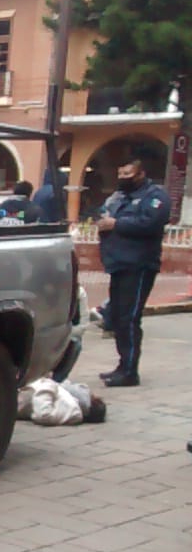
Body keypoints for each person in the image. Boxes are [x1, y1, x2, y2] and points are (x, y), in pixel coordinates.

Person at [95, 158, 171, 387]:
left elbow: (150, 224)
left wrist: (116, 224)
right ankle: (122, 365)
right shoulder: (118, 197)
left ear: (140, 174)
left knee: (129, 318)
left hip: (139, 265)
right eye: (120, 172)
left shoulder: (155, 196)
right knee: (117, 317)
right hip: (117, 264)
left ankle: (129, 371)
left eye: (128, 173)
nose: (122, 177)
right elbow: (103, 214)